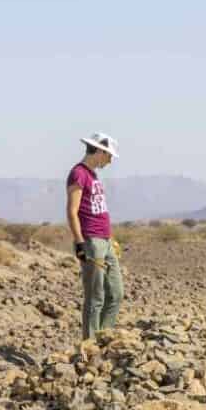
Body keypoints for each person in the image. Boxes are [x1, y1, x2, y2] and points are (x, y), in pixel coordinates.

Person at [66, 133, 123, 340]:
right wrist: (80, 243)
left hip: (105, 241)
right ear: (99, 151)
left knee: (116, 294)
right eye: (109, 156)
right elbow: (72, 211)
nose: (109, 161)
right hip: (91, 242)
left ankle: (102, 337)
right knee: (95, 297)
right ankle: (89, 346)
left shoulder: (93, 175)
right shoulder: (78, 174)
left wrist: (110, 238)